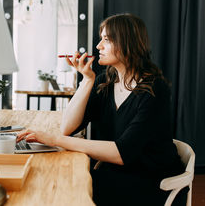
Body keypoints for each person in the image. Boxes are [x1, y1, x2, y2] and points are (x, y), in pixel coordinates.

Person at [17, 13, 187, 206]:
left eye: (106, 39)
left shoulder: (154, 89)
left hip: (152, 181)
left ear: (127, 43)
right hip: (116, 173)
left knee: (67, 189)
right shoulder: (104, 82)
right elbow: (68, 127)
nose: (98, 46)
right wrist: (87, 80)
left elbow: (122, 153)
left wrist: (54, 139)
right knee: (56, 181)